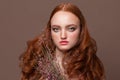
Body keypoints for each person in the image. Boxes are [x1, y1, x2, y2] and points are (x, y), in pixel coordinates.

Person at [19, 3, 105, 80]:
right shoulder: (36, 64)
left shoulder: (90, 64)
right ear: (50, 31)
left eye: (71, 29)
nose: (63, 36)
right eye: (56, 29)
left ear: (81, 30)